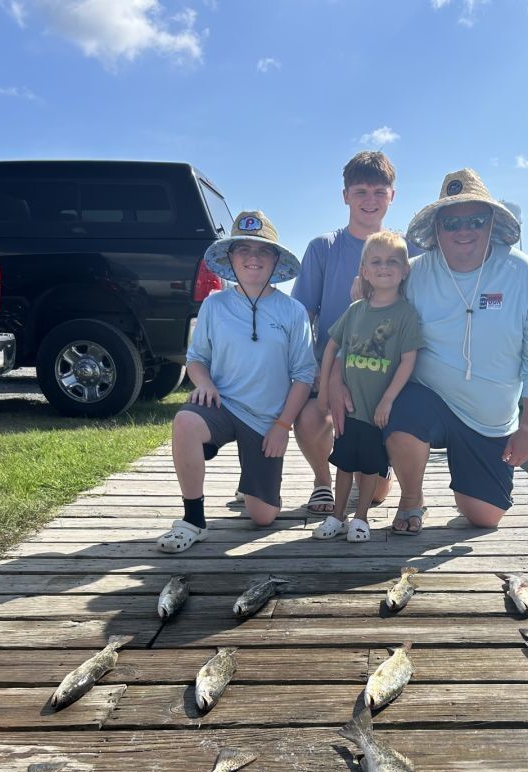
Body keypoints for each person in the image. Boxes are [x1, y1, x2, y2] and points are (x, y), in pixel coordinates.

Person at [332, 168, 528, 535]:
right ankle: (411, 497)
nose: (463, 230)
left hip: (489, 417)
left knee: (484, 516)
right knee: (402, 417)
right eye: (451, 222)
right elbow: (366, 321)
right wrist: (339, 379)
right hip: (428, 398)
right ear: (436, 229)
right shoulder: (413, 273)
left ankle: (428, 476)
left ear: (492, 223)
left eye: (475, 220)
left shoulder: (520, 271)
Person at [155, 211, 316, 552]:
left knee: (263, 516)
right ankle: (193, 520)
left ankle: (250, 482)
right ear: (230, 257)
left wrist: (282, 426)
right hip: (223, 406)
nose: (253, 257)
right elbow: (196, 359)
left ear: (276, 259)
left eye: (263, 250)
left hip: (266, 420)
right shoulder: (214, 305)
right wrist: (204, 383)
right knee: (185, 421)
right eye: (243, 249)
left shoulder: (293, 311)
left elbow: (303, 375)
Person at [292, 151, 404, 516]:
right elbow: (302, 318)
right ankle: (322, 480)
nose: (370, 200)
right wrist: (319, 374)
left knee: (376, 496)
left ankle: (380, 469)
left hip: (383, 376)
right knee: (310, 417)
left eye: (379, 191)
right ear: (345, 196)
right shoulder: (323, 248)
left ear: (392, 195)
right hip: (332, 370)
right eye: (360, 192)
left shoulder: (405, 250)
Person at [312, 230, 423, 543]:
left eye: (392, 261)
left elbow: (408, 360)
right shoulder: (355, 310)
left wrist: (388, 399)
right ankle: (338, 516)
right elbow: (332, 347)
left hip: (377, 412)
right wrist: (325, 390)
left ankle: (361, 517)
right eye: (376, 261)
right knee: (344, 463)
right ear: (364, 270)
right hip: (349, 409)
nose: (384, 267)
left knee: (371, 467)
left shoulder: (406, 314)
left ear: (405, 270)